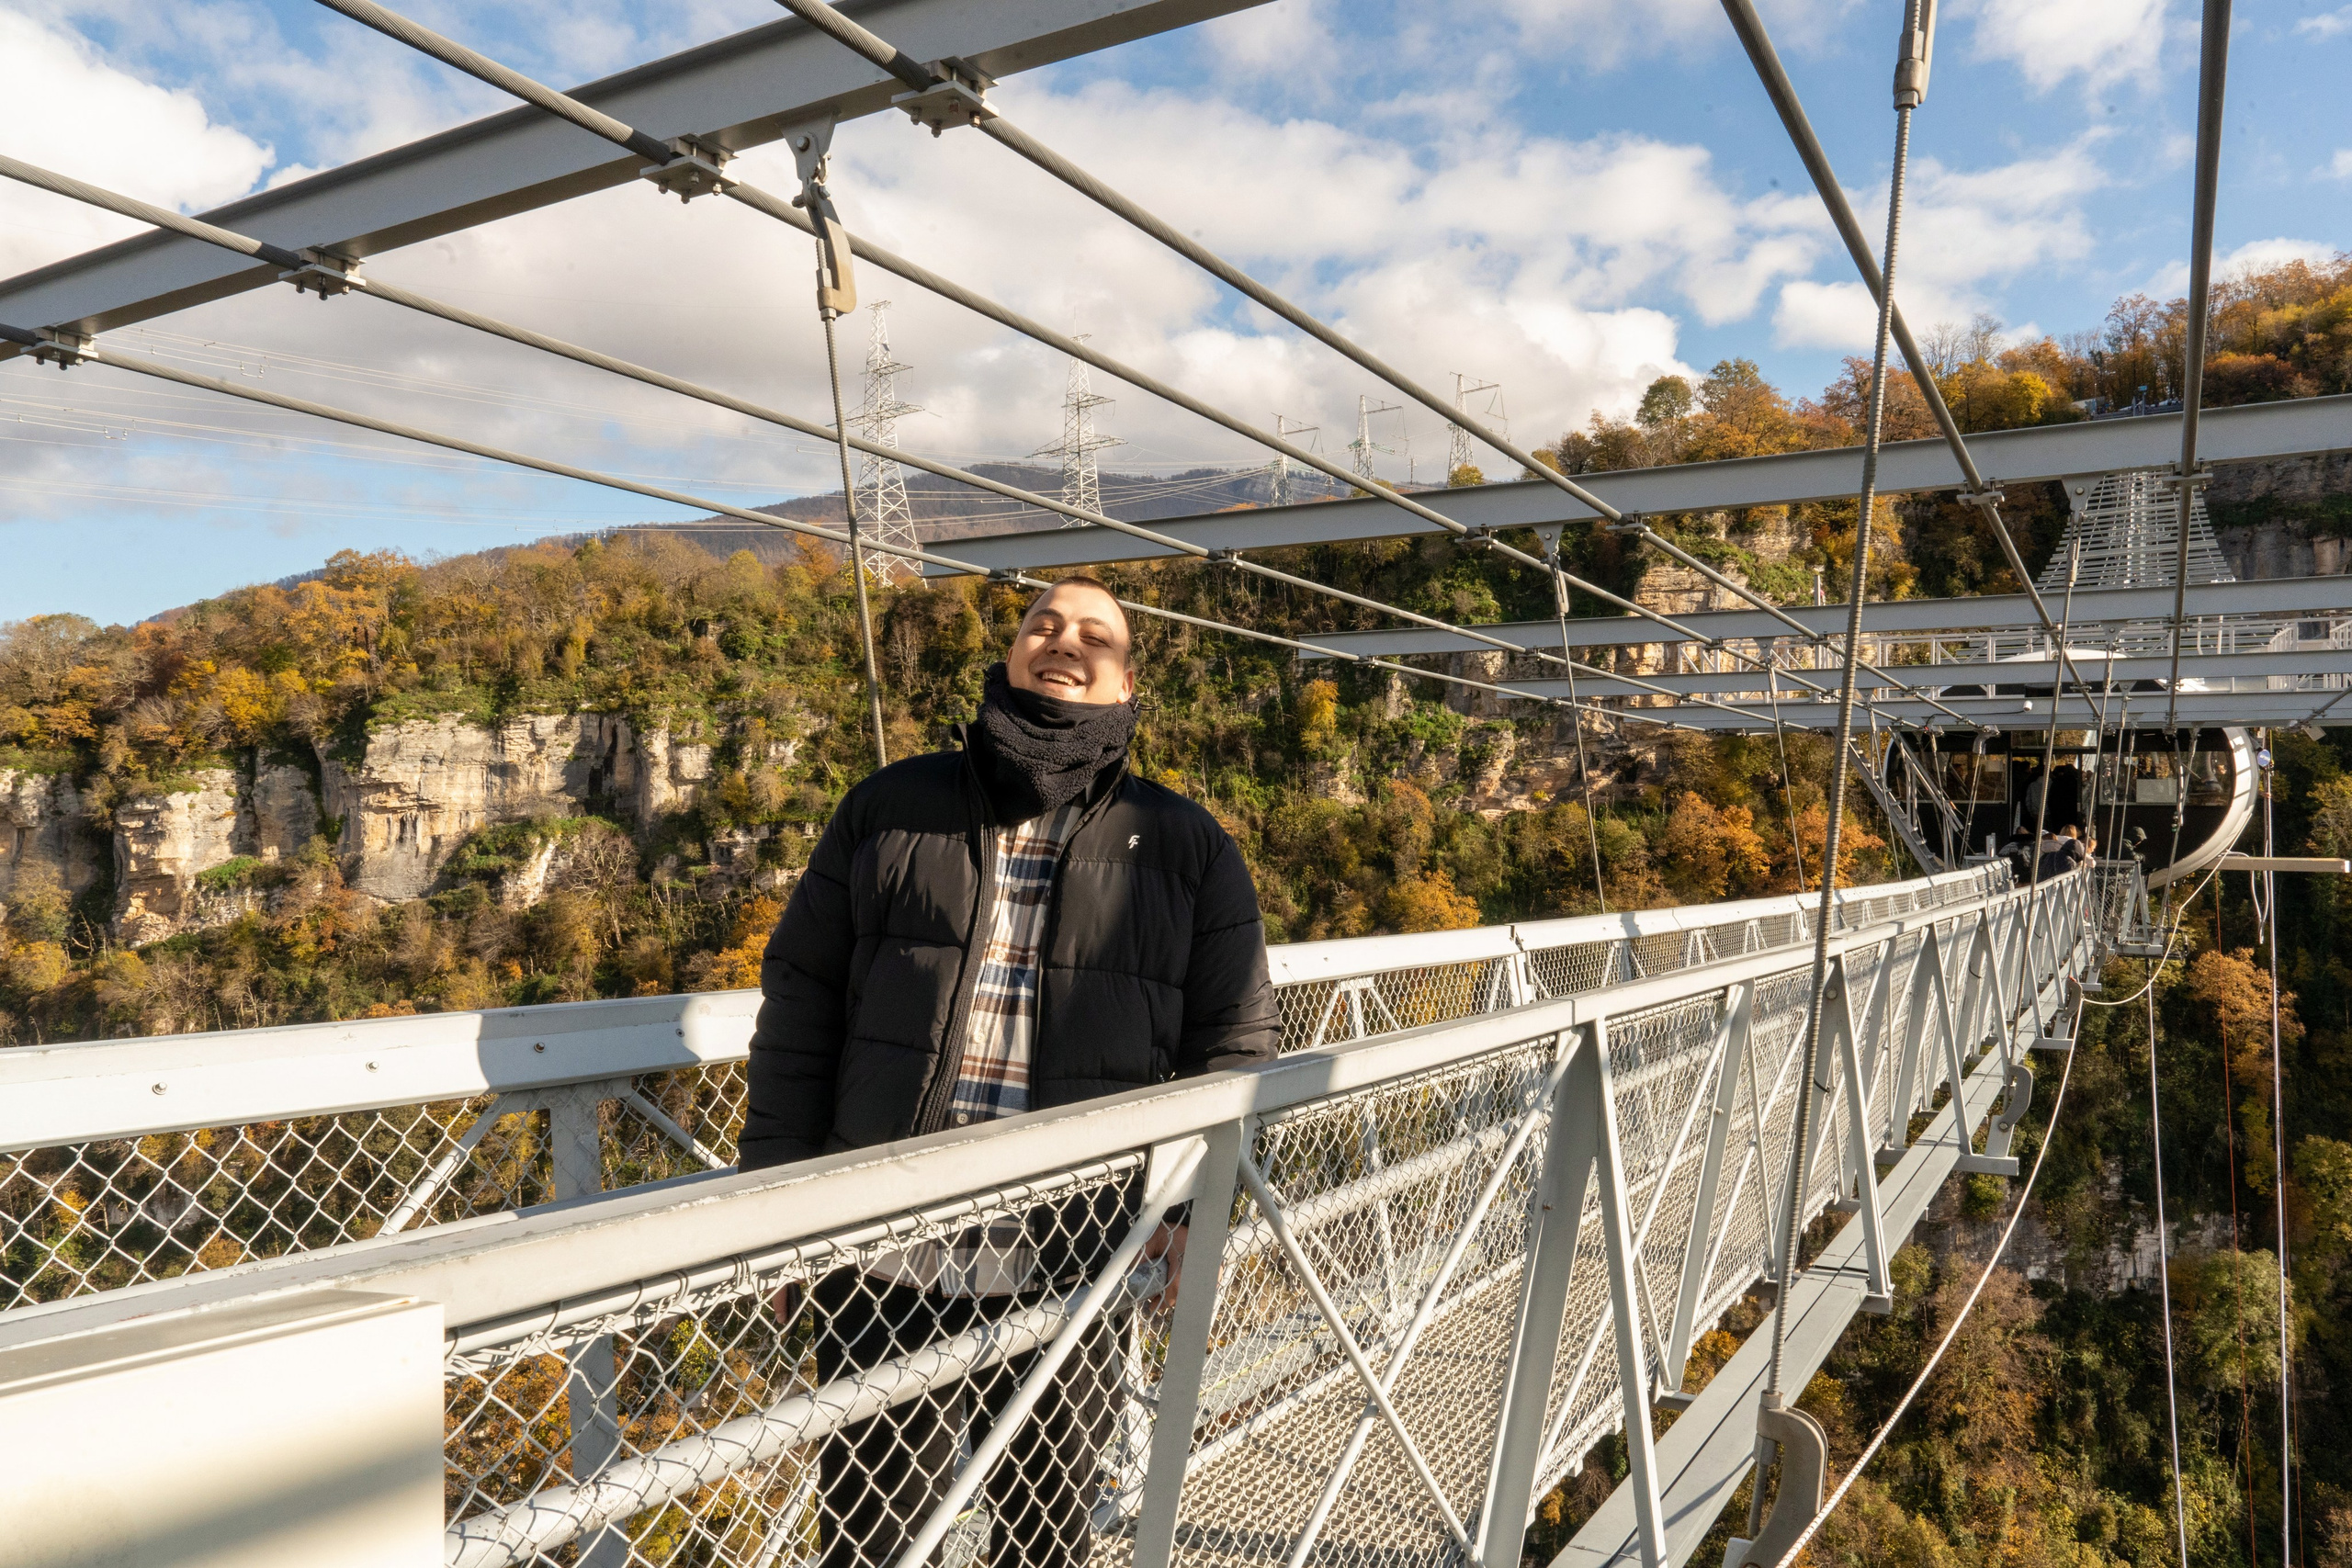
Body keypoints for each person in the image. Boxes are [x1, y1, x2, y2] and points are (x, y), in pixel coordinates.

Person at [740, 574, 1280, 1568]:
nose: (1062, 642)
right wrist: (778, 1200)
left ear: (1125, 682)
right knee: (871, 1540)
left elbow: (1236, 1042)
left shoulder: (1185, 845)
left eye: (1093, 636)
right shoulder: (890, 806)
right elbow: (802, 1003)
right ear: (1012, 652)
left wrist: (1193, 1208)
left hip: (1075, 1253)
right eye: (1043, 624)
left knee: (1046, 1542)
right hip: (881, 1249)